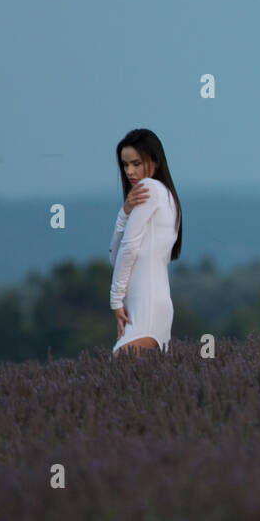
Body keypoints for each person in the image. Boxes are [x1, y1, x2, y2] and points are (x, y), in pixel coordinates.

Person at [108, 129, 183, 356]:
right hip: (151, 307)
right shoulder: (168, 196)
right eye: (125, 165)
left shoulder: (148, 189)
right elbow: (115, 256)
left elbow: (128, 249)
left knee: (113, 379)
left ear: (154, 161)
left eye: (137, 163)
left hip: (145, 310)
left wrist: (115, 300)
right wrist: (124, 213)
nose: (129, 171)